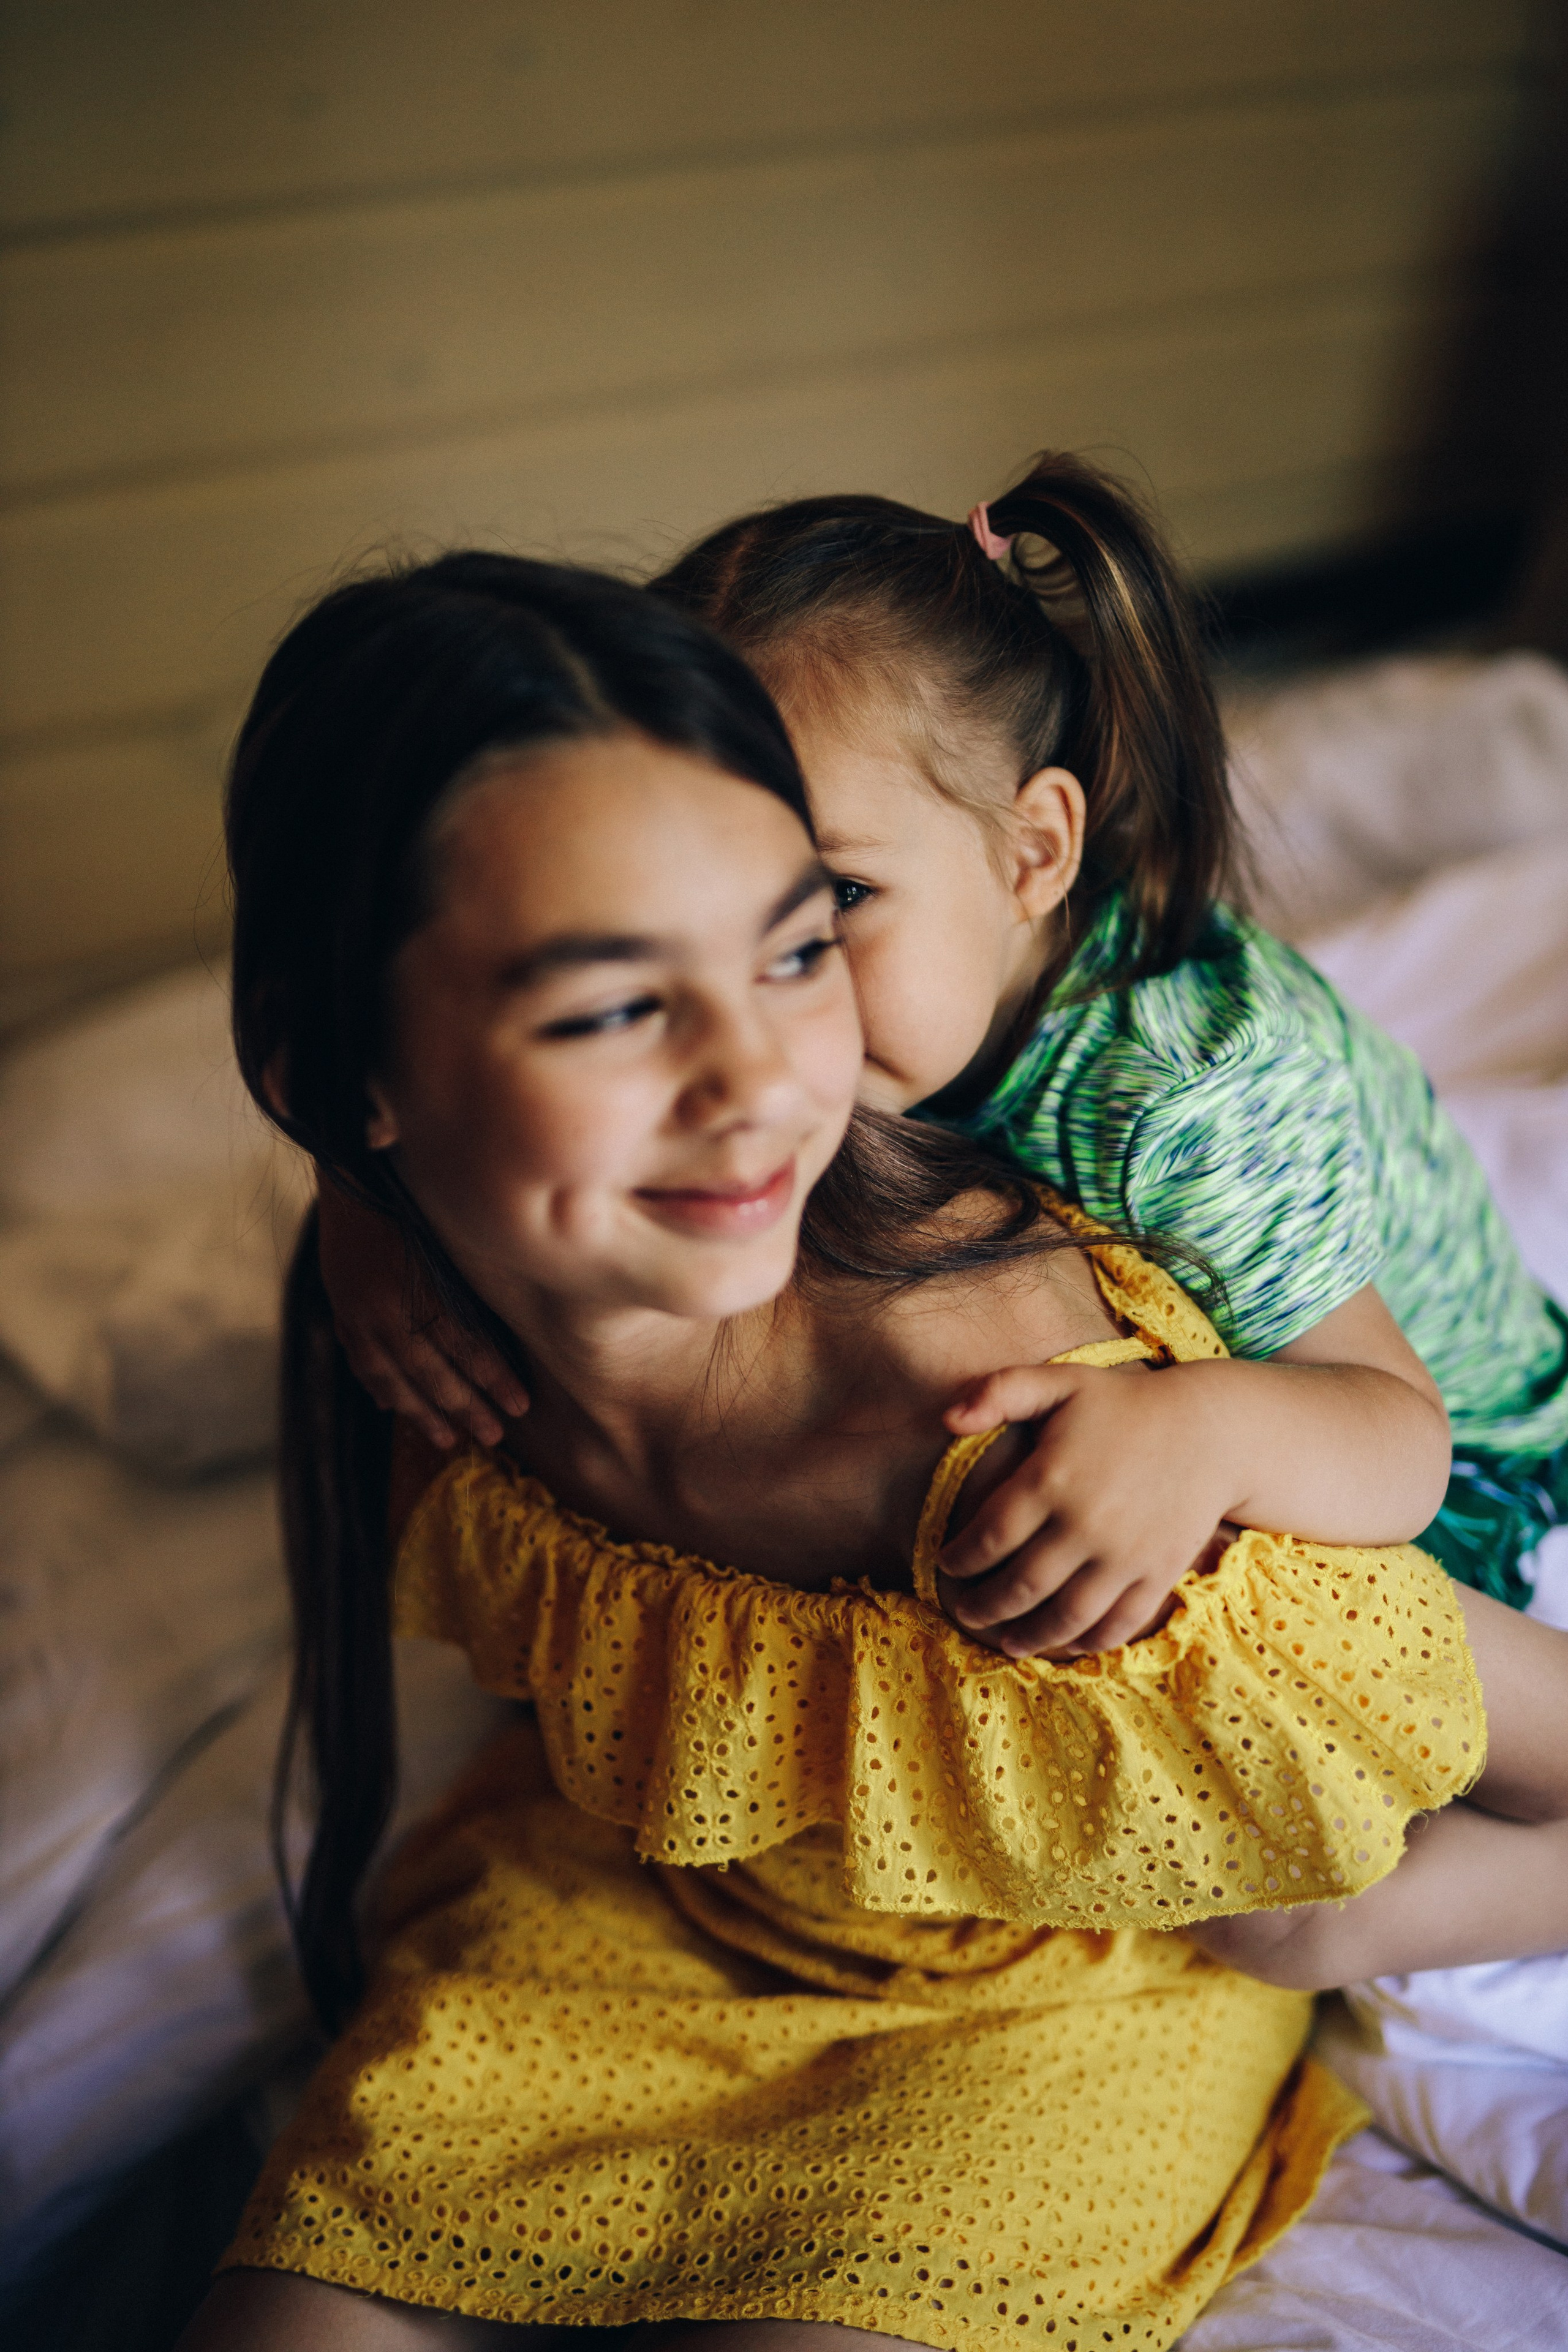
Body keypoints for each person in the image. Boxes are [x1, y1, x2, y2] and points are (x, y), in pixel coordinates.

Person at [181, 552, 1568, 2351]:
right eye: (615, 1006)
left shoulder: (1036, 1431)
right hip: (633, 1903)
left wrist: (1341, 1924)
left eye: (799, 942)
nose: (763, 1080)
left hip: (1048, 1993)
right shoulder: (423, 1318)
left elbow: (1434, 1542)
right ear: (347, 1087)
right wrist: (358, 1214)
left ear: (1030, 855)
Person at [318, 456, 1568, 1655]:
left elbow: (1395, 1434)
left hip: (1456, 1457)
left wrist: (1200, 1430)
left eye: (831, 905)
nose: (754, 1024)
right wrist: (365, 1203)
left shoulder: (1182, 1106)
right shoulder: (878, 1022)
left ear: (1031, 855)